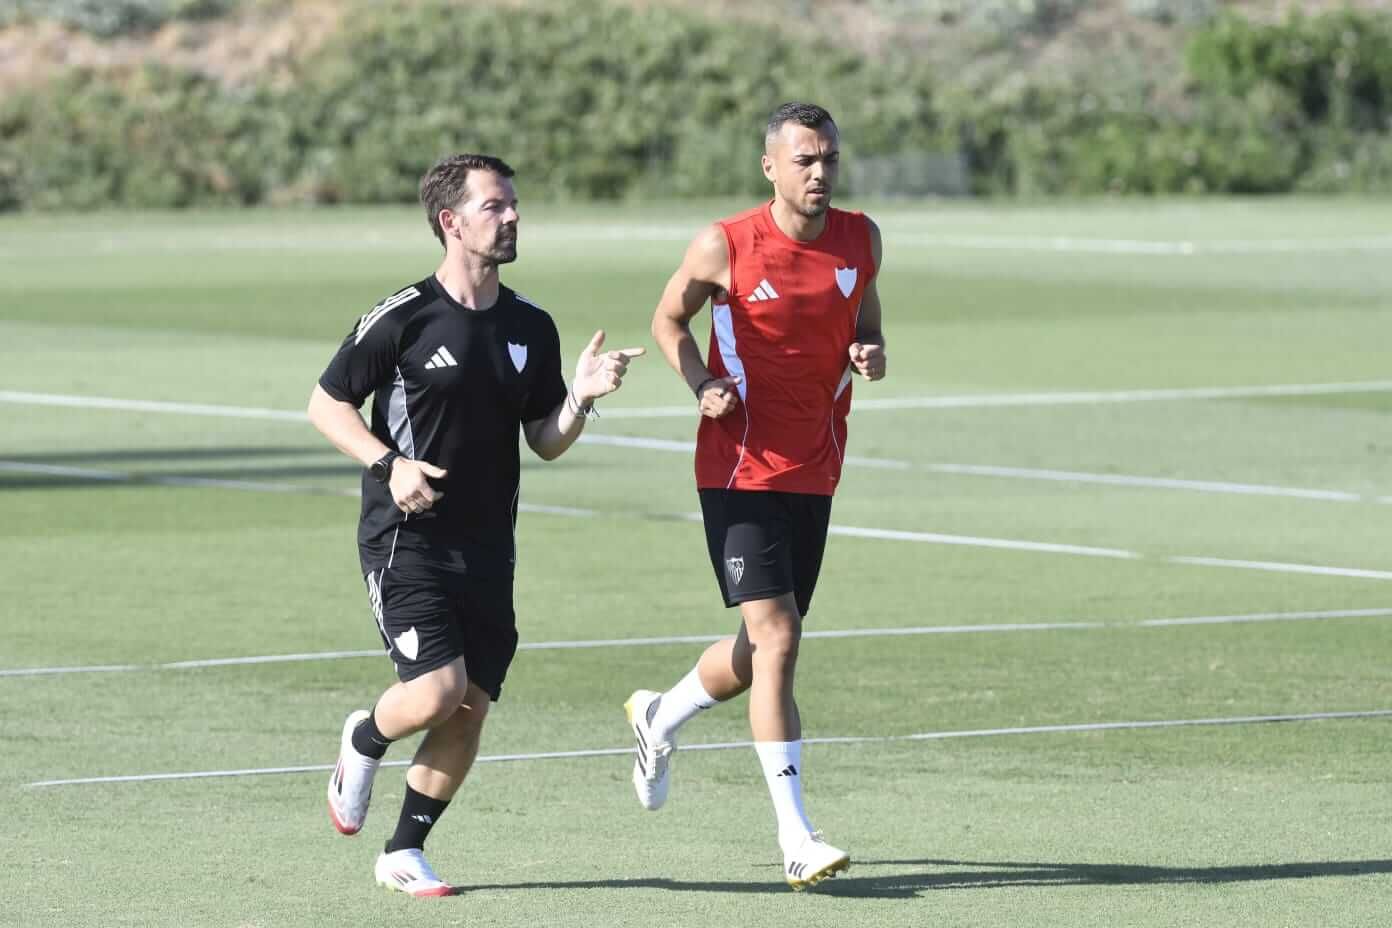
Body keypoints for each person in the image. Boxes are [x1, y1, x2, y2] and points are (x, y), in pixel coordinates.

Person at [309, 153, 643, 897]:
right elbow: (326, 405)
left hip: (491, 546)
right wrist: (389, 463)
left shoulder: (530, 324)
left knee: (471, 706)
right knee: (435, 691)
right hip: (407, 539)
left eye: (515, 204)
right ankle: (364, 739)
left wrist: (581, 398)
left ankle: (403, 850)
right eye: (496, 207)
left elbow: (545, 441)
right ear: (450, 222)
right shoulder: (403, 316)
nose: (514, 216)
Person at [633, 102, 886, 891]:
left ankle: (659, 716)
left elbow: (864, 315)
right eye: (805, 159)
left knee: (760, 650)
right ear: (770, 167)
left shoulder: (861, 237)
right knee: (778, 640)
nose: (820, 173)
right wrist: (701, 379)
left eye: (830, 160)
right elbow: (668, 319)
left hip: (816, 466)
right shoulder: (726, 244)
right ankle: (796, 834)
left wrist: (870, 349)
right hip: (738, 466)